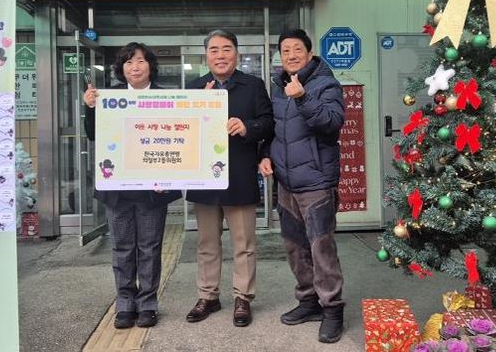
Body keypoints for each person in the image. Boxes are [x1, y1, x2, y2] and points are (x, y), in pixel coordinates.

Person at [83, 42, 181, 329]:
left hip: (153, 188)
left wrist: (170, 177)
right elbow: (94, 135)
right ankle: (125, 302)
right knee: (122, 248)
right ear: (121, 68)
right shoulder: (108, 97)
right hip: (118, 189)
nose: (134, 67)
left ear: (150, 65)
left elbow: (178, 142)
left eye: (140, 61)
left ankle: (148, 303)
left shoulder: (167, 98)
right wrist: (90, 107)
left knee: (150, 248)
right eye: (128, 62)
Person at [258, 29, 346, 343]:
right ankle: (309, 301)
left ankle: (332, 308)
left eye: (297, 49)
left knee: (321, 247)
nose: (291, 55)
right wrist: (265, 154)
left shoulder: (326, 84)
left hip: (316, 182)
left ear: (309, 53)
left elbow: (332, 123)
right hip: (286, 182)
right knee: (294, 247)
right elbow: (275, 130)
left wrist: (303, 97)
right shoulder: (279, 87)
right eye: (285, 50)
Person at [185, 29, 273, 327]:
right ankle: (208, 296)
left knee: (244, 243)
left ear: (236, 53)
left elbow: (269, 123)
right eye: (214, 50)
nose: (220, 55)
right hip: (203, 178)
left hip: (239, 173)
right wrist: (199, 107)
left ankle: (242, 297)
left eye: (226, 49)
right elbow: (181, 131)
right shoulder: (194, 88)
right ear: (206, 55)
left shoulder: (253, 86)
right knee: (206, 242)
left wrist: (248, 127)